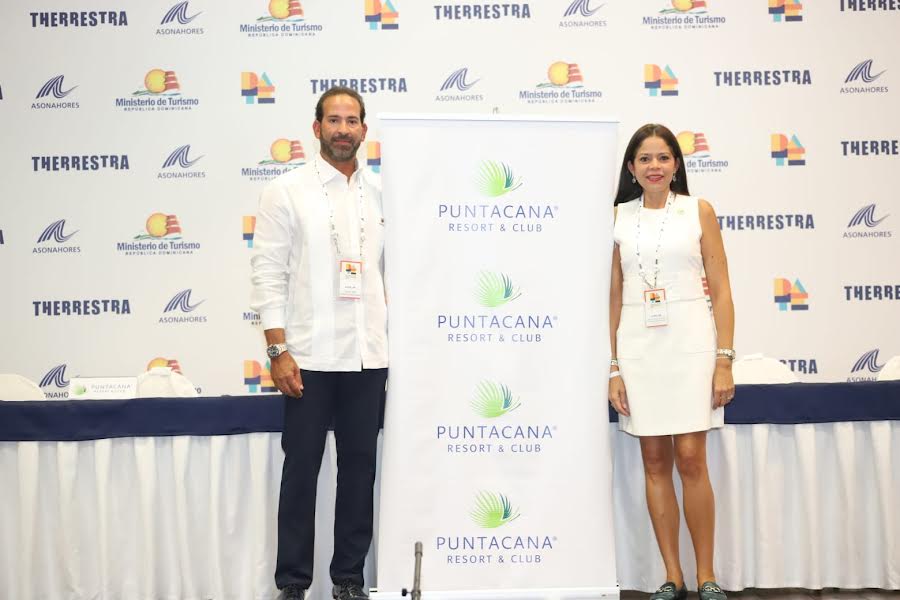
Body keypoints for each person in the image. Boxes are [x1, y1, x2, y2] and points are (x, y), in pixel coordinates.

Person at [250, 86, 388, 600]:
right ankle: (292, 582)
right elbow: (267, 274)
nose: (344, 129)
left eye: (352, 121)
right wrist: (276, 350)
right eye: (334, 120)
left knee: (359, 471)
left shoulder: (381, 196)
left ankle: (348, 579)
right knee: (301, 471)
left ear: (364, 131)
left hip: (368, 357)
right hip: (306, 357)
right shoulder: (285, 191)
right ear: (316, 128)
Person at [608, 124, 735, 600]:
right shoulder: (617, 217)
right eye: (645, 159)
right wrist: (615, 366)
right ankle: (672, 576)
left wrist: (724, 359)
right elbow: (614, 297)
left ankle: (706, 576)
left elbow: (721, 289)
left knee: (691, 459)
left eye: (663, 157)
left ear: (677, 164)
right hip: (639, 346)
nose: (654, 166)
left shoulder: (697, 211)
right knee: (654, 459)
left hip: (692, 343)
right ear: (631, 168)